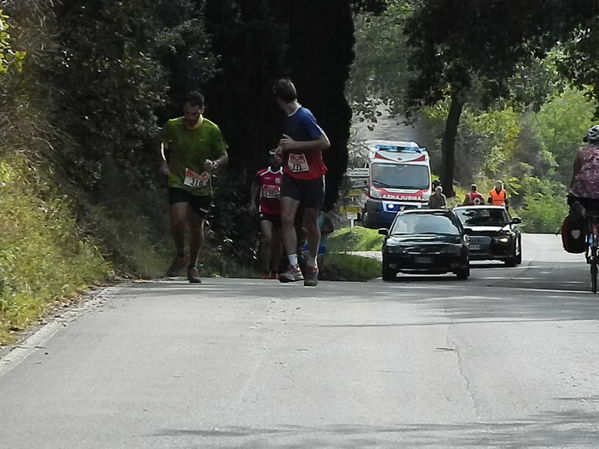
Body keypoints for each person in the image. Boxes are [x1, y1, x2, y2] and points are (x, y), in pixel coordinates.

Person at [160, 92, 228, 283]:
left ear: (201, 110)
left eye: (194, 114)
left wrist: (215, 164)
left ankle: (193, 265)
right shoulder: (173, 125)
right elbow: (159, 142)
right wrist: (163, 162)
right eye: (187, 113)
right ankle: (181, 253)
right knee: (177, 220)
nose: (190, 118)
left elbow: (224, 155)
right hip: (179, 179)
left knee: (196, 226)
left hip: (201, 184)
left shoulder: (211, 130)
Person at [272, 78, 330, 286]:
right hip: (292, 176)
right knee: (286, 217)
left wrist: (295, 145)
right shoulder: (288, 117)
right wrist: (283, 151)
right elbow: (290, 143)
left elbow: (325, 142)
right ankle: (293, 266)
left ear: (278, 99)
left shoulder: (304, 116)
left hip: (313, 178)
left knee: (309, 222)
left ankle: (312, 264)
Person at [250, 153, 284, 279]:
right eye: (273, 158)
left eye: (278, 157)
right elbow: (255, 186)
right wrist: (253, 202)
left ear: (282, 160)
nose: (275, 160)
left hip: (280, 212)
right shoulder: (262, 174)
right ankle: (266, 270)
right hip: (265, 210)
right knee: (267, 239)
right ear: (269, 160)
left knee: (278, 242)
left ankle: (275, 269)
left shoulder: (285, 175)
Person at [568, 125, 599, 216]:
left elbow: (576, 173)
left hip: (580, 193)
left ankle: (575, 228)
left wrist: (570, 190)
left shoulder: (581, 152)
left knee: (574, 217)